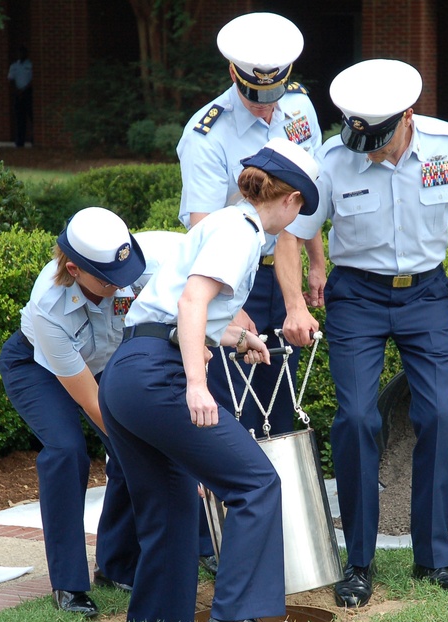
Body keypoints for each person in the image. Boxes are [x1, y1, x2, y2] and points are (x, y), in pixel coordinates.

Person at [275, 59, 448, 608]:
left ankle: (433, 558)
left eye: (376, 137)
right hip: (358, 296)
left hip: (426, 293)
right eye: (359, 136)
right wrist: (293, 305)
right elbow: (288, 233)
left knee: (440, 416)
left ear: (408, 117)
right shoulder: (334, 158)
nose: (366, 149)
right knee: (355, 418)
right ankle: (358, 562)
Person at [98, 137, 319, 622]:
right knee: (256, 483)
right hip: (160, 376)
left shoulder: (222, 221)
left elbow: (183, 312)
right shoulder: (241, 233)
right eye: (301, 210)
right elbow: (192, 302)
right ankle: (234, 618)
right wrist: (198, 385)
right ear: (289, 200)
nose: (297, 223)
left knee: (170, 504)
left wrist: (239, 337)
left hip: (128, 374)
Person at [177, 12, 325, 438]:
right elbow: (203, 232)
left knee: (280, 400)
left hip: (286, 268)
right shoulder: (205, 135)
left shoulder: (298, 106)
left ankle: (276, 500)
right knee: (231, 404)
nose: (264, 103)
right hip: (233, 276)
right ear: (232, 72)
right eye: (254, 93)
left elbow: (304, 199)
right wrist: (231, 303)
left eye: (271, 92)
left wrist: (315, 264)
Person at [0, 207, 148, 618]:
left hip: (105, 363)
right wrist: (136, 444)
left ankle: (116, 563)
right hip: (38, 368)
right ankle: (68, 584)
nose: (120, 284)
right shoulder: (48, 305)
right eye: (107, 278)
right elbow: (90, 400)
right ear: (73, 269)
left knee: (134, 451)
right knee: (67, 453)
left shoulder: (132, 266)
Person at [8, 46, 33, 148]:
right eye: (19, 53)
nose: (20, 55)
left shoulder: (30, 65)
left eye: (22, 53)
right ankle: (19, 141)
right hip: (18, 94)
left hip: (28, 93)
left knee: (31, 117)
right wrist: (17, 91)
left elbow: (32, 80)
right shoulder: (14, 66)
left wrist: (25, 90)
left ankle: (33, 140)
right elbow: (11, 79)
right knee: (19, 119)